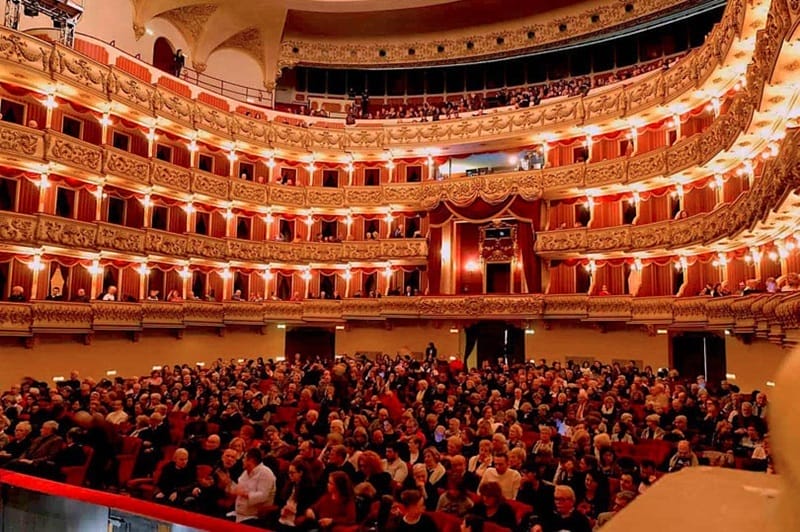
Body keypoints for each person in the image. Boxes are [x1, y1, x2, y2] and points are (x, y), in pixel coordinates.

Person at [225, 448, 277, 524]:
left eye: (244, 458)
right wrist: (229, 485)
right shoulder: (245, 473)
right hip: (238, 513)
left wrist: (245, 494)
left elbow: (263, 496)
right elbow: (238, 489)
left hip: (254, 516)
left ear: (251, 460)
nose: (242, 461)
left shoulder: (266, 473)